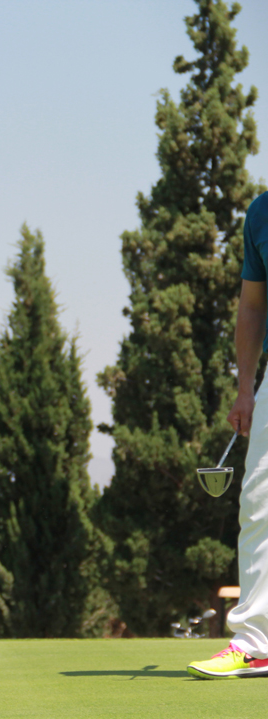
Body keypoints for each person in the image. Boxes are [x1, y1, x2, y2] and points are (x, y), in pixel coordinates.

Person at [189, 189, 268, 678]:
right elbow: (253, 305)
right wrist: (245, 390)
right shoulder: (261, 213)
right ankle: (257, 642)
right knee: (259, 500)